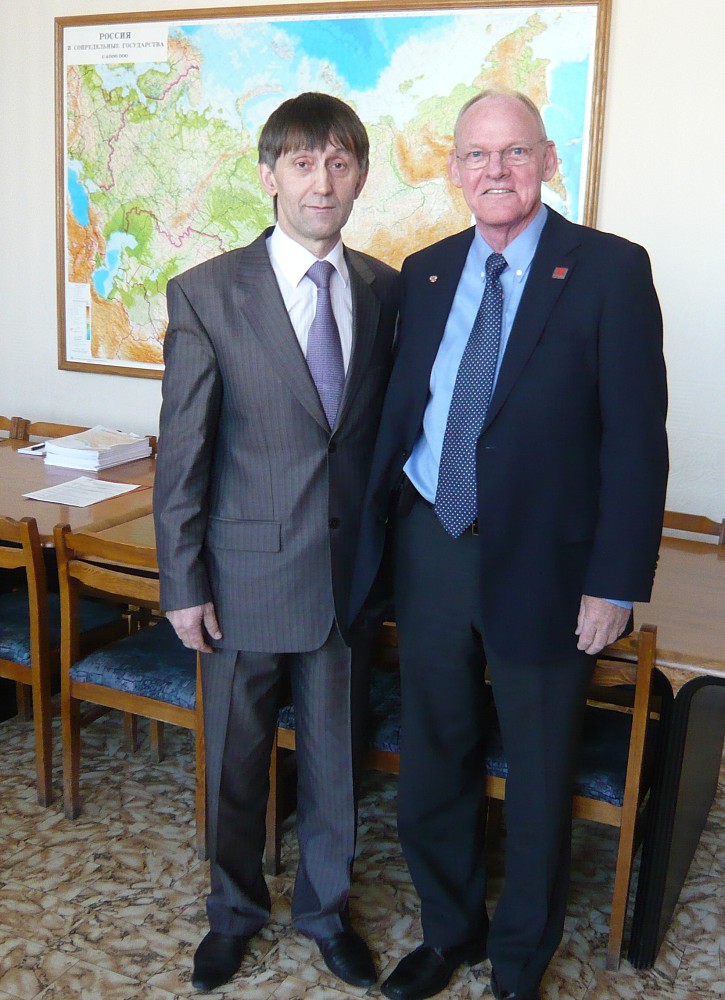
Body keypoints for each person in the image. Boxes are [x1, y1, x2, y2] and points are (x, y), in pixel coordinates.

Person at [349, 90, 668, 1000]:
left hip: (549, 565)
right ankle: (448, 932)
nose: (495, 171)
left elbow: (635, 440)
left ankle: (520, 961)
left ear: (547, 160)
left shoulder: (608, 269)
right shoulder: (424, 273)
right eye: (477, 155)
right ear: (454, 169)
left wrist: (614, 582)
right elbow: (405, 411)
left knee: (536, 768)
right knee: (434, 752)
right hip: (433, 543)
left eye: (515, 152)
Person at [153, 91, 399, 994]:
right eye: (302, 163)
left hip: (346, 580)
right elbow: (184, 452)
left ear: (360, 176)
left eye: (339, 162)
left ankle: (326, 915)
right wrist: (183, 583)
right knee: (235, 766)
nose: (321, 182)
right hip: (242, 580)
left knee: (335, 766)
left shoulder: (384, 289)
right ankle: (232, 914)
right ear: (268, 176)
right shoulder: (208, 293)